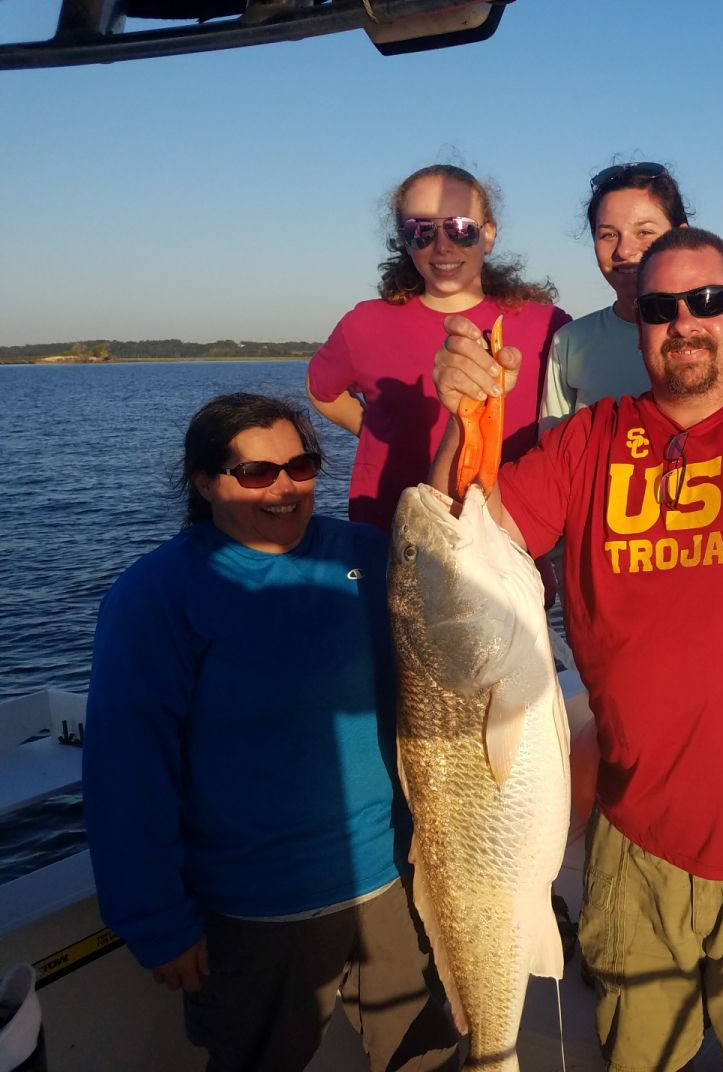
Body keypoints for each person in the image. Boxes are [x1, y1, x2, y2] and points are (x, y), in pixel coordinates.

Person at [431, 227, 723, 1072]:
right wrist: (462, 415)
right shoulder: (587, 439)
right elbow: (455, 554)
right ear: (638, 325)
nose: (684, 321)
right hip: (636, 842)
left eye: (708, 300)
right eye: (659, 308)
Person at [83, 393, 458, 1072]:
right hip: (252, 912)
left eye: (302, 466)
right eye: (257, 473)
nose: (286, 488)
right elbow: (126, 773)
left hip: (391, 884)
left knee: (425, 1059)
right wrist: (157, 921)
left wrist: (464, 417)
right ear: (205, 482)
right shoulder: (158, 593)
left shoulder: (368, 554)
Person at [308, 163, 570, 530]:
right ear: (405, 241)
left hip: (509, 534)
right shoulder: (364, 324)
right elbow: (320, 390)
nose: (443, 246)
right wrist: (374, 432)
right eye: (422, 231)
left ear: (488, 234)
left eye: (460, 229)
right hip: (390, 535)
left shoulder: (549, 325)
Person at [538, 160, 723, 431]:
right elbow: (552, 444)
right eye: (608, 235)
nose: (624, 250)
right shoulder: (570, 341)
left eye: (644, 232)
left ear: (680, 235)